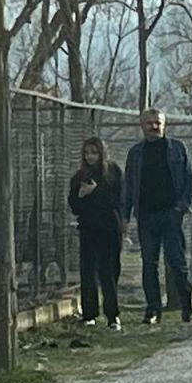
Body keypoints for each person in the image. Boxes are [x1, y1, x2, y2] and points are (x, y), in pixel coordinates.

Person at [122, 107, 192, 325]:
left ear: (164, 125)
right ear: (142, 126)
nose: (154, 126)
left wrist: (182, 207)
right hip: (146, 216)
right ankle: (153, 309)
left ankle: (186, 303)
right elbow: (128, 186)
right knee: (149, 264)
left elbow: (189, 180)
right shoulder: (136, 153)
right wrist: (125, 215)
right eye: (149, 123)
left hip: (171, 214)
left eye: (158, 123)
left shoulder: (177, 149)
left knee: (177, 262)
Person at [68, 137, 124, 337]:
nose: (90, 157)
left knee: (108, 272)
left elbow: (117, 200)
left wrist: (96, 191)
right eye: (87, 153)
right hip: (89, 229)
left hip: (110, 229)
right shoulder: (78, 177)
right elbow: (74, 205)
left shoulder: (113, 173)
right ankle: (89, 313)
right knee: (88, 272)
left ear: (101, 154)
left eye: (94, 153)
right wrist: (82, 195)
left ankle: (112, 315)